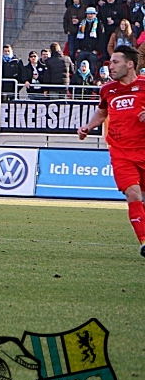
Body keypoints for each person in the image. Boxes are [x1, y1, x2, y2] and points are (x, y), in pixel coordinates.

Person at [78, 47, 145, 258]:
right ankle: (144, 241)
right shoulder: (107, 90)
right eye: (110, 62)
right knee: (132, 193)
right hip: (121, 152)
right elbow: (102, 111)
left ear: (130, 64)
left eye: (115, 62)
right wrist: (88, 127)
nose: (111, 66)